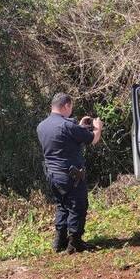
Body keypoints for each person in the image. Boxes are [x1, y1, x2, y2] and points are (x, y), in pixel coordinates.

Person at [36, 93, 103, 253]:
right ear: (66, 105)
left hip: (52, 175)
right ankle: (75, 243)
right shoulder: (67, 125)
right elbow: (93, 139)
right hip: (71, 175)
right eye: (71, 107)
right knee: (77, 206)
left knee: (62, 206)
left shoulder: (42, 126)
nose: (71, 110)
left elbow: (65, 141)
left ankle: (59, 242)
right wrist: (98, 127)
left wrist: (79, 126)